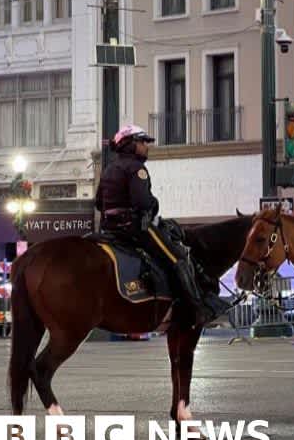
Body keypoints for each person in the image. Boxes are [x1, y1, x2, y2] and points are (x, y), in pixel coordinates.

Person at [95, 124, 231, 328]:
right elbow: (142, 202)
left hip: (109, 230)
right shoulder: (136, 168)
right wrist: (154, 202)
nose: (146, 146)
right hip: (134, 228)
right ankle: (198, 309)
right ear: (131, 144)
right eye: (143, 142)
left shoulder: (109, 169)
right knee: (178, 257)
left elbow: (98, 203)